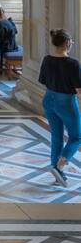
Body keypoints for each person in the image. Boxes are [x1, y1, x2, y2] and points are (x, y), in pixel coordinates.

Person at [38, 29, 81, 187]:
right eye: (71, 41)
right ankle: (60, 165)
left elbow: (43, 81)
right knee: (76, 137)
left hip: (48, 99)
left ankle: (57, 174)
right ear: (67, 43)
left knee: (56, 136)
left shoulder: (46, 59)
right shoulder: (73, 63)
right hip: (66, 102)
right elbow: (79, 90)